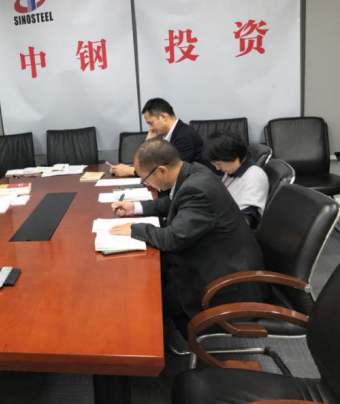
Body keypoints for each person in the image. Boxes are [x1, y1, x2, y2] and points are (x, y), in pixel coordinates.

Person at [109, 139, 265, 331]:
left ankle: (160, 344)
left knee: (140, 300)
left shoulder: (196, 190)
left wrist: (135, 228)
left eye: (146, 179)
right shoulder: (193, 172)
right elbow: (174, 202)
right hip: (215, 263)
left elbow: (172, 239)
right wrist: (136, 207)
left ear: (162, 171)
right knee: (147, 280)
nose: (147, 183)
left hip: (225, 287)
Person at [111, 98, 203, 177]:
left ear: (163, 117)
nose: (151, 128)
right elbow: (142, 161)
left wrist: (132, 171)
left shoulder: (184, 137)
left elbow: (170, 171)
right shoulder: (165, 135)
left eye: (151, 123)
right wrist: (149, 141)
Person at [204, 130, 269, 229]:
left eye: (218, 164)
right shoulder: (234, 169)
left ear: (234, 156)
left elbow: (244, 222)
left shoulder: (255, 177)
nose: (217, 168)